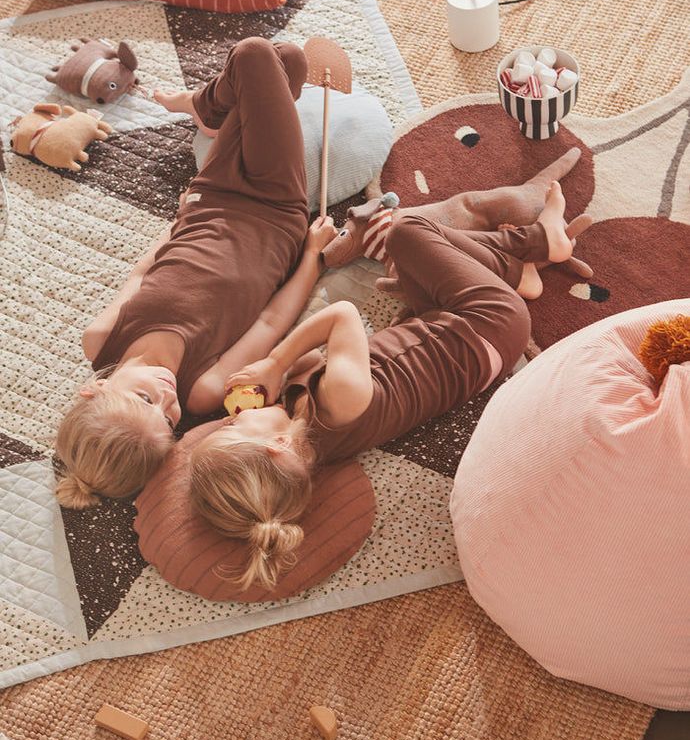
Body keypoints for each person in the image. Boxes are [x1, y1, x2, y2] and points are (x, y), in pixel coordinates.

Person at [187, 181, 591, 591]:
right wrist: (276, 362)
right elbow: (342, 315)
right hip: (491, 321)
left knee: (409, 271)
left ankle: (518, 274)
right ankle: (538, 242)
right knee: (406, 231)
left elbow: (311, 364)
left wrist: (282, 379)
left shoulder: (311, 435)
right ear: (277, 445)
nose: (230, 419)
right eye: (233, 427)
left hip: (445, 327)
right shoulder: (342, 400)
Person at [55, 37, 336, 509]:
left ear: (95, 389)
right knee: (270, 58)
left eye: (146, 400)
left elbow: (141, 275)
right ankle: (207, 107)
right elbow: (271, 322)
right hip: (275, 209)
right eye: (169, 420)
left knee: (274, 61)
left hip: (210, 196)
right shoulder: (202, 390)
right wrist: (312, 256)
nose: (168, 400)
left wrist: (178, 221)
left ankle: (208, 108)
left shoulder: (100, 340)